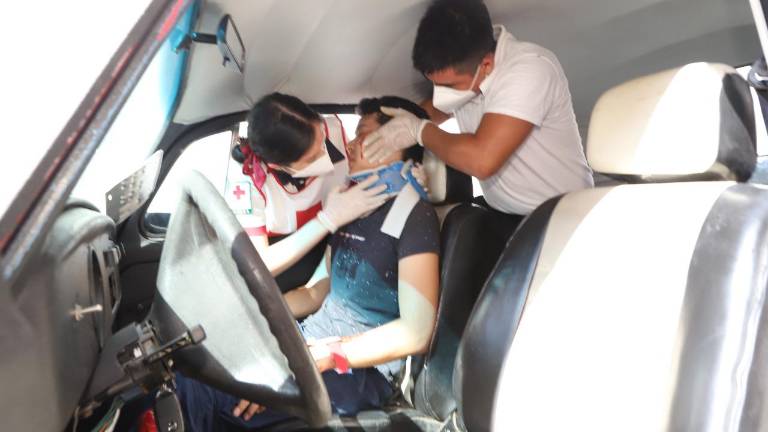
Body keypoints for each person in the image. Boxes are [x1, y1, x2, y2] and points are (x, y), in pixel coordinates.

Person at [174, 96, 441, 431]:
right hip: (311, 343)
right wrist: (249, 317)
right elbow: (315, 293)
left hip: (360, 369)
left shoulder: (415, 216)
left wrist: (328, 354)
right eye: (355, 135)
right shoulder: (350, 206)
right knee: (202, 363)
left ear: (400, 142)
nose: (351, 145)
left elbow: (416, 333)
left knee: (216, 396)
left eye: (365, 136)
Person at [363, 0, 594, 237]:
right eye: (433, 83)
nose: (439, 92)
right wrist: (388, 129)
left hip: (563, 220)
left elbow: (482, 160)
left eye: (448, 85)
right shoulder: (468, 71)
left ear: (485, 65)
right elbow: (435, 109)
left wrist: (419, 131)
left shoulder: (529, 69)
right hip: (507, 217)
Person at [227, 93, 392, 292]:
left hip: (337, 239)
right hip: (286, 254)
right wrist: (326, 220)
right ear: (277, 165)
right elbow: (257, 264)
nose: (326, 154)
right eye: (312, 158)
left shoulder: (330, 131)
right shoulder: (248, 182)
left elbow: (370, 164)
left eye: (323, 142)